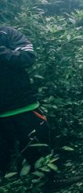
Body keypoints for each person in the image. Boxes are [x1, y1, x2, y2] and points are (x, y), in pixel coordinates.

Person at [0, 26, 51, 175]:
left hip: (23, 105)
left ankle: (49, 181)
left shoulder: (7, 33)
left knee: (37, 147)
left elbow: (28, 57)